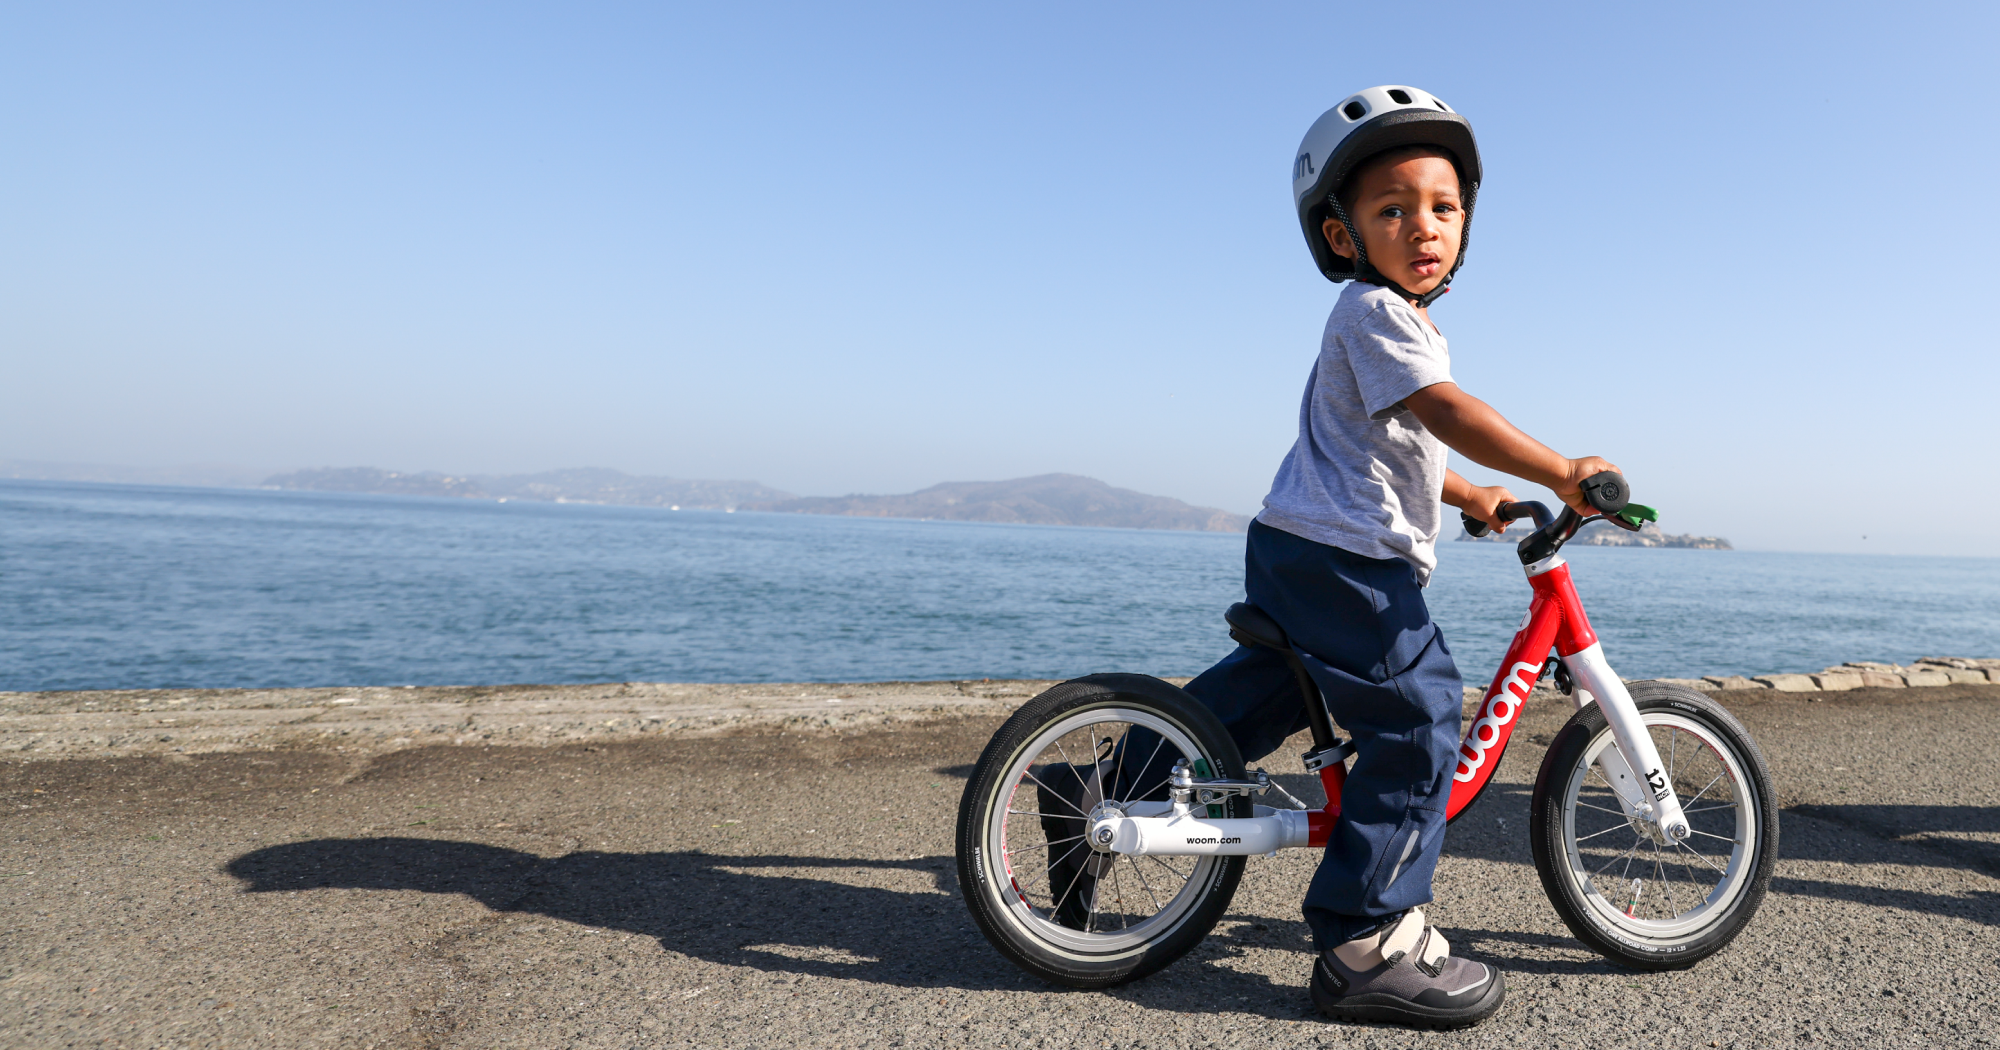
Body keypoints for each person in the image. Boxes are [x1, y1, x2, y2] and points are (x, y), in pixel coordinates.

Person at [1049, 85, 1620, 1028]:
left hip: (1299, 548)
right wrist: (1562, 469)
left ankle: (1101, 792)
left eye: (1442, 207)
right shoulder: (1377, 313)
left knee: (1259, 699)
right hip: (1347, 563)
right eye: (1392, 210)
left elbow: (1397, 444)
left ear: (1466, 223)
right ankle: (1367, 936)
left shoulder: (1396, 326)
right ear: (1345, 236)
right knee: (1420, 714)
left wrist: (1473, 495)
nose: (1423, 226)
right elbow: (1444, 412)